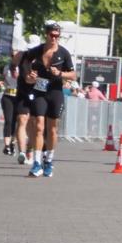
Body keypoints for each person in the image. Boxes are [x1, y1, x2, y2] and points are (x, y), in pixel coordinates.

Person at [18, 21, 76, 177]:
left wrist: (60, 74)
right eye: (52, 35)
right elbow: (23, 62)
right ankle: (37, 163)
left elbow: (73, 74)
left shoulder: (63, 53)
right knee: (38, 126)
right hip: (39, 92)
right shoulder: (37, 51)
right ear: (47, 34)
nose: (54, 38)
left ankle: (48, 160)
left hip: (55, 92)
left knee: (52, 128)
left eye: (57, 36)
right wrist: (27, 75)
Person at [12, 34, 42, 165]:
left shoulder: (44, 58)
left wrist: (38, 80)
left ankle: (30, 149)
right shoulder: (22, 56)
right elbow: (14, 65)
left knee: (35, 122)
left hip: (38, 92)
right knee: (22, 119)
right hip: (23, 91)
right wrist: (13, 69)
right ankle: (22, 152)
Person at [0, 62, 19, 155]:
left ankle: (13, 142)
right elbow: (4, 78)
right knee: (8, 120)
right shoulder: (7, 66)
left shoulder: (23, 66)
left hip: (19, 97)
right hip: (7, 96)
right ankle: (6, 145)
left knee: (16, 122)